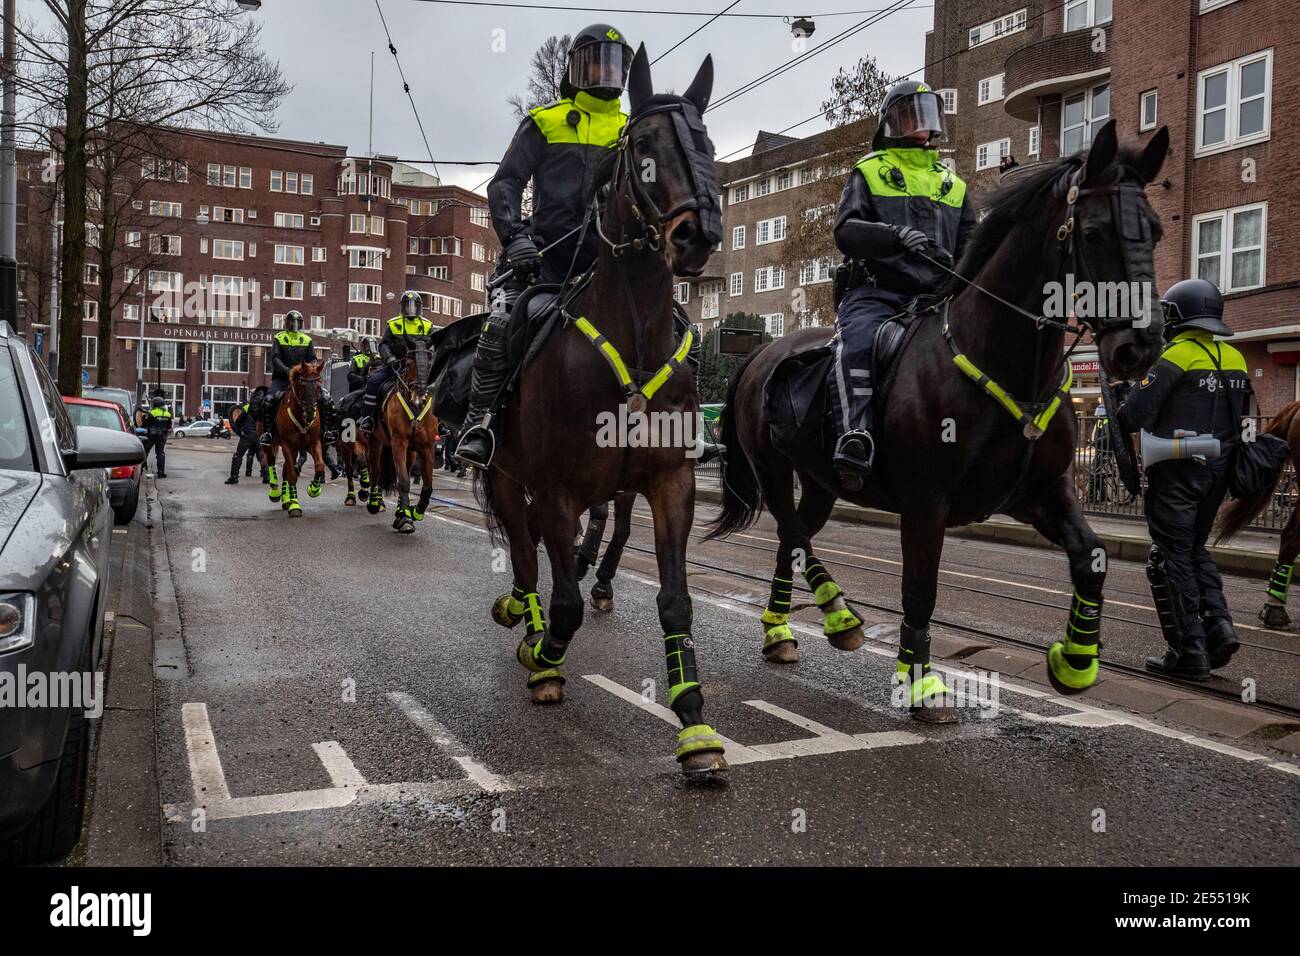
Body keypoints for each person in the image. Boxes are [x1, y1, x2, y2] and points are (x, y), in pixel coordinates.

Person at [455, 23, 634, 469]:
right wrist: (515, 238)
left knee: (669, 326)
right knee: (501, 324)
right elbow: (505, 184)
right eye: (596, 60)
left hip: (609, 266)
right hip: (544, 263)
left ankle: (675, 433)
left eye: (614, 62)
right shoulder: (545, 120)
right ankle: (480, 422)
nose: (605, 71)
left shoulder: (632, 130)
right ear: (575, 68)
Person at [829, 80, 976, 491]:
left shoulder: (955, 184)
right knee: (854, 341)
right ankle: (855, 435)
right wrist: (893, 236)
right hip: (878, 293)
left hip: (936, 298)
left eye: (925, 114)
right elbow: (846, 231)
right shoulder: (869, 170)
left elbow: (972, 244)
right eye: (909, 114)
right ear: (890, 123)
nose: (919, 124)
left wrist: (960, 264)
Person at [1116, 278, 1248, 678]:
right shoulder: (1236, 358)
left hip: (1176, 474)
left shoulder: (1177, 355)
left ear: (1178, 316)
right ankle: (1219, 628)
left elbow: (1133, 415)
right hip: (1218, 473)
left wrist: (1123, 397)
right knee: (1194, 549)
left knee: (1170, 557)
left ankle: (1188, 651)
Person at [358, 292, 434, 431]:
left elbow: (432, 346)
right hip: (396, 366)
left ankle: (441, 425)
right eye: (407, 306)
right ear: (402, 307)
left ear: (419, 308)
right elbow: (384, 345)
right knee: (374, 381)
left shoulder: (427, 325)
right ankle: (367, 418)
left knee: (439, 386)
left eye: (414, 306)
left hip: (421, 369)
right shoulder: (394, 324)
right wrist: (389, 358)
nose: (411, 309)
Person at [261, 310, 336, 447]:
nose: (294, 325)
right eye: (291, 322)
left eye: (297, 322)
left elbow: (312, 357)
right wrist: (289, 371)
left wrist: (312, 368)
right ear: (286, 323)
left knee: (326, 399)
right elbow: (276, 359)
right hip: (283, 379)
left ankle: (327, 431)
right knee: (268, 400)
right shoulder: (279, 338)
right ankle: (268, 433)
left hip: (304, 380)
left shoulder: (307, 339)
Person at [225, 400, 260, 484]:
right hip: (258, 436)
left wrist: (239, 430)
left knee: (238, 455)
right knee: (262, 456)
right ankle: (266, 476)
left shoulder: (246, 407)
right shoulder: (262, 408)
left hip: (247, 436)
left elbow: (239, 420)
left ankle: (234, 477)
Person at [142, 395, 172, 477]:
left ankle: (141, 468)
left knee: (145, 451)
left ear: (156, 404)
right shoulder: (168, 414)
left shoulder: (152, 412)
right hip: (162, 436)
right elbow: (169, 427)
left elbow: (145, 424)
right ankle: (161, 472)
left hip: (152, 435)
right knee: (160, 453)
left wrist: (144, 418)